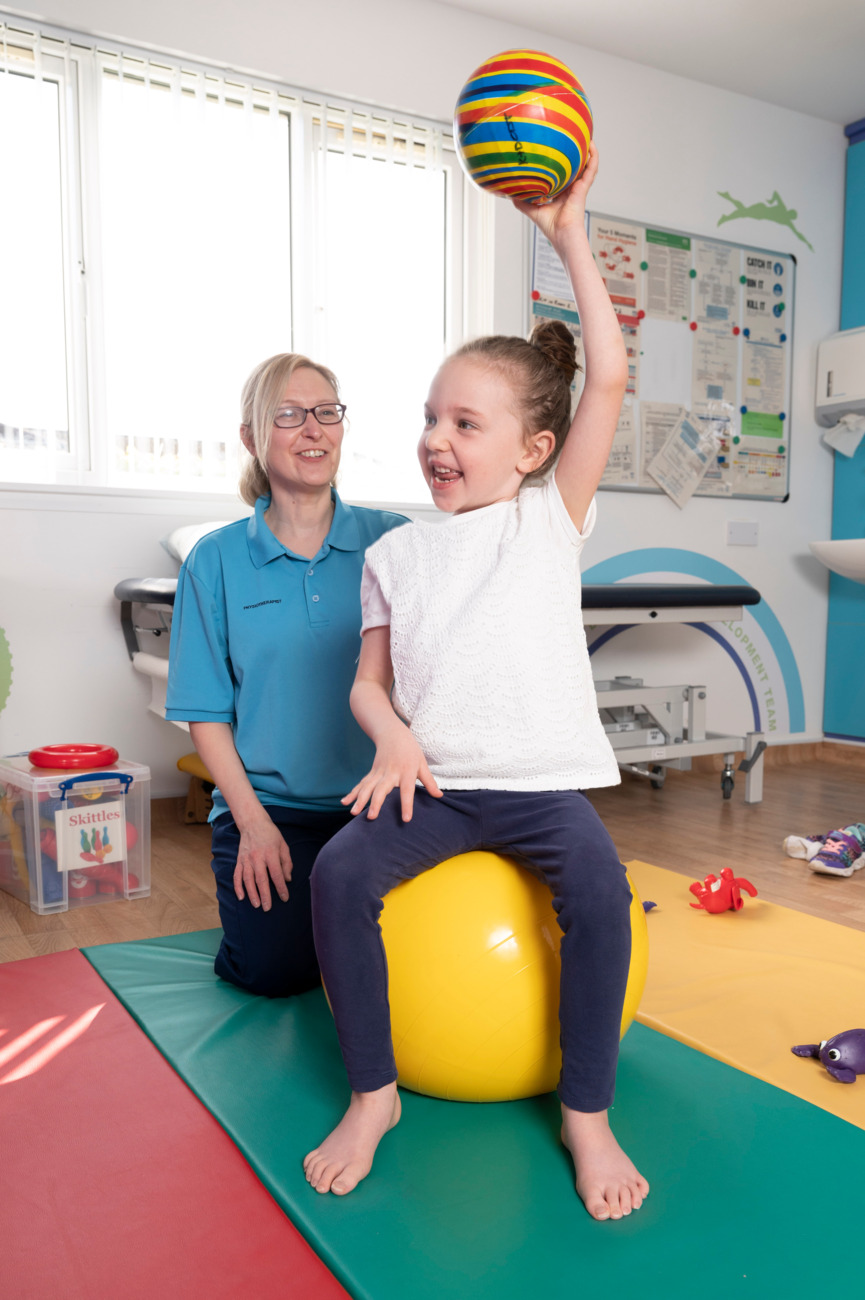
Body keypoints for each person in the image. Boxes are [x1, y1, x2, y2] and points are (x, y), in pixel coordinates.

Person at [303, 145, 650, 1221]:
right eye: (429, 418)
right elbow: (367, 685)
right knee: (337, 878)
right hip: (437, 787)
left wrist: (566, 238)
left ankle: (585, 1112)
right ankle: (375, 1094)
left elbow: (610, 377)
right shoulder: (393, 555)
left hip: (541, 784)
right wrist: (394, 739)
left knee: (599, 896)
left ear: (533, 449)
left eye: (465, 423)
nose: (435, 441)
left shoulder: (548, 519)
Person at [165, 353, 406, 997]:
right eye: (290, 415)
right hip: (274, 809)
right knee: (275, 972)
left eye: (327, 413)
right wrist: (252, 822)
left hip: (382, 805)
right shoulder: (214, 561)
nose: (314, 431)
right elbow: (205, 713)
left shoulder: (396, 542)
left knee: (408, 964)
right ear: (251, 436)